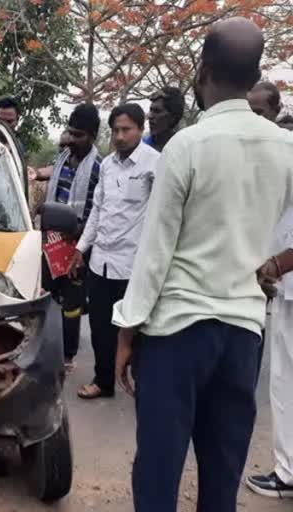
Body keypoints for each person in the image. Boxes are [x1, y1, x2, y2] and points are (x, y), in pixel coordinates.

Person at [112, 18, 293, 511]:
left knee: (158, 472)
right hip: (242, 334)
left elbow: (155, 253)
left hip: (178, 332)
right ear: (254, 72)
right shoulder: (285, 148)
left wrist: (127, 330)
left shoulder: (187, 145)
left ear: (204, 72)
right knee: (222, 475)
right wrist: (274, 264)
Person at [68, 104, 159, 399]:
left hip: (133, 266)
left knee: (138, 331)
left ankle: (144, 386)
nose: (120, 136)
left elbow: (163, 216)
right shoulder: (107, 165)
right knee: (100, 329)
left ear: (140, 129)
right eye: (116, 130)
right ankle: (103, 381)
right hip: (101, 263)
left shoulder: (154, 164)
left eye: (126, 130)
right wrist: (81, 248)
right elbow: (97, 211)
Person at [43, 104, 102, 370]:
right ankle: (45, 347)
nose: (74, 139)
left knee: (72, 303)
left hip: (79, 244)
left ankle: (67, 355)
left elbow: (98, 211)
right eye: (71, 132)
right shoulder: (62, 159)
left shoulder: (100, 168)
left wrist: (81, 243)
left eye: (80, 135)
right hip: (51, 241)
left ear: (93, 136)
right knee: (48, 294)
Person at [245, 216, 293, 499]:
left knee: (285, 383)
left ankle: (288, 473)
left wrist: (277, 264)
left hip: (284, 274)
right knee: (283, 383)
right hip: (285, 288)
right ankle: (288, 470)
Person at [143, 87, 185, 152]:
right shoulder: (141, 147)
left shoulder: (182, 150)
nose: (150, 116)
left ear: (173, 117)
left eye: (157, 111)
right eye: (151, 110)